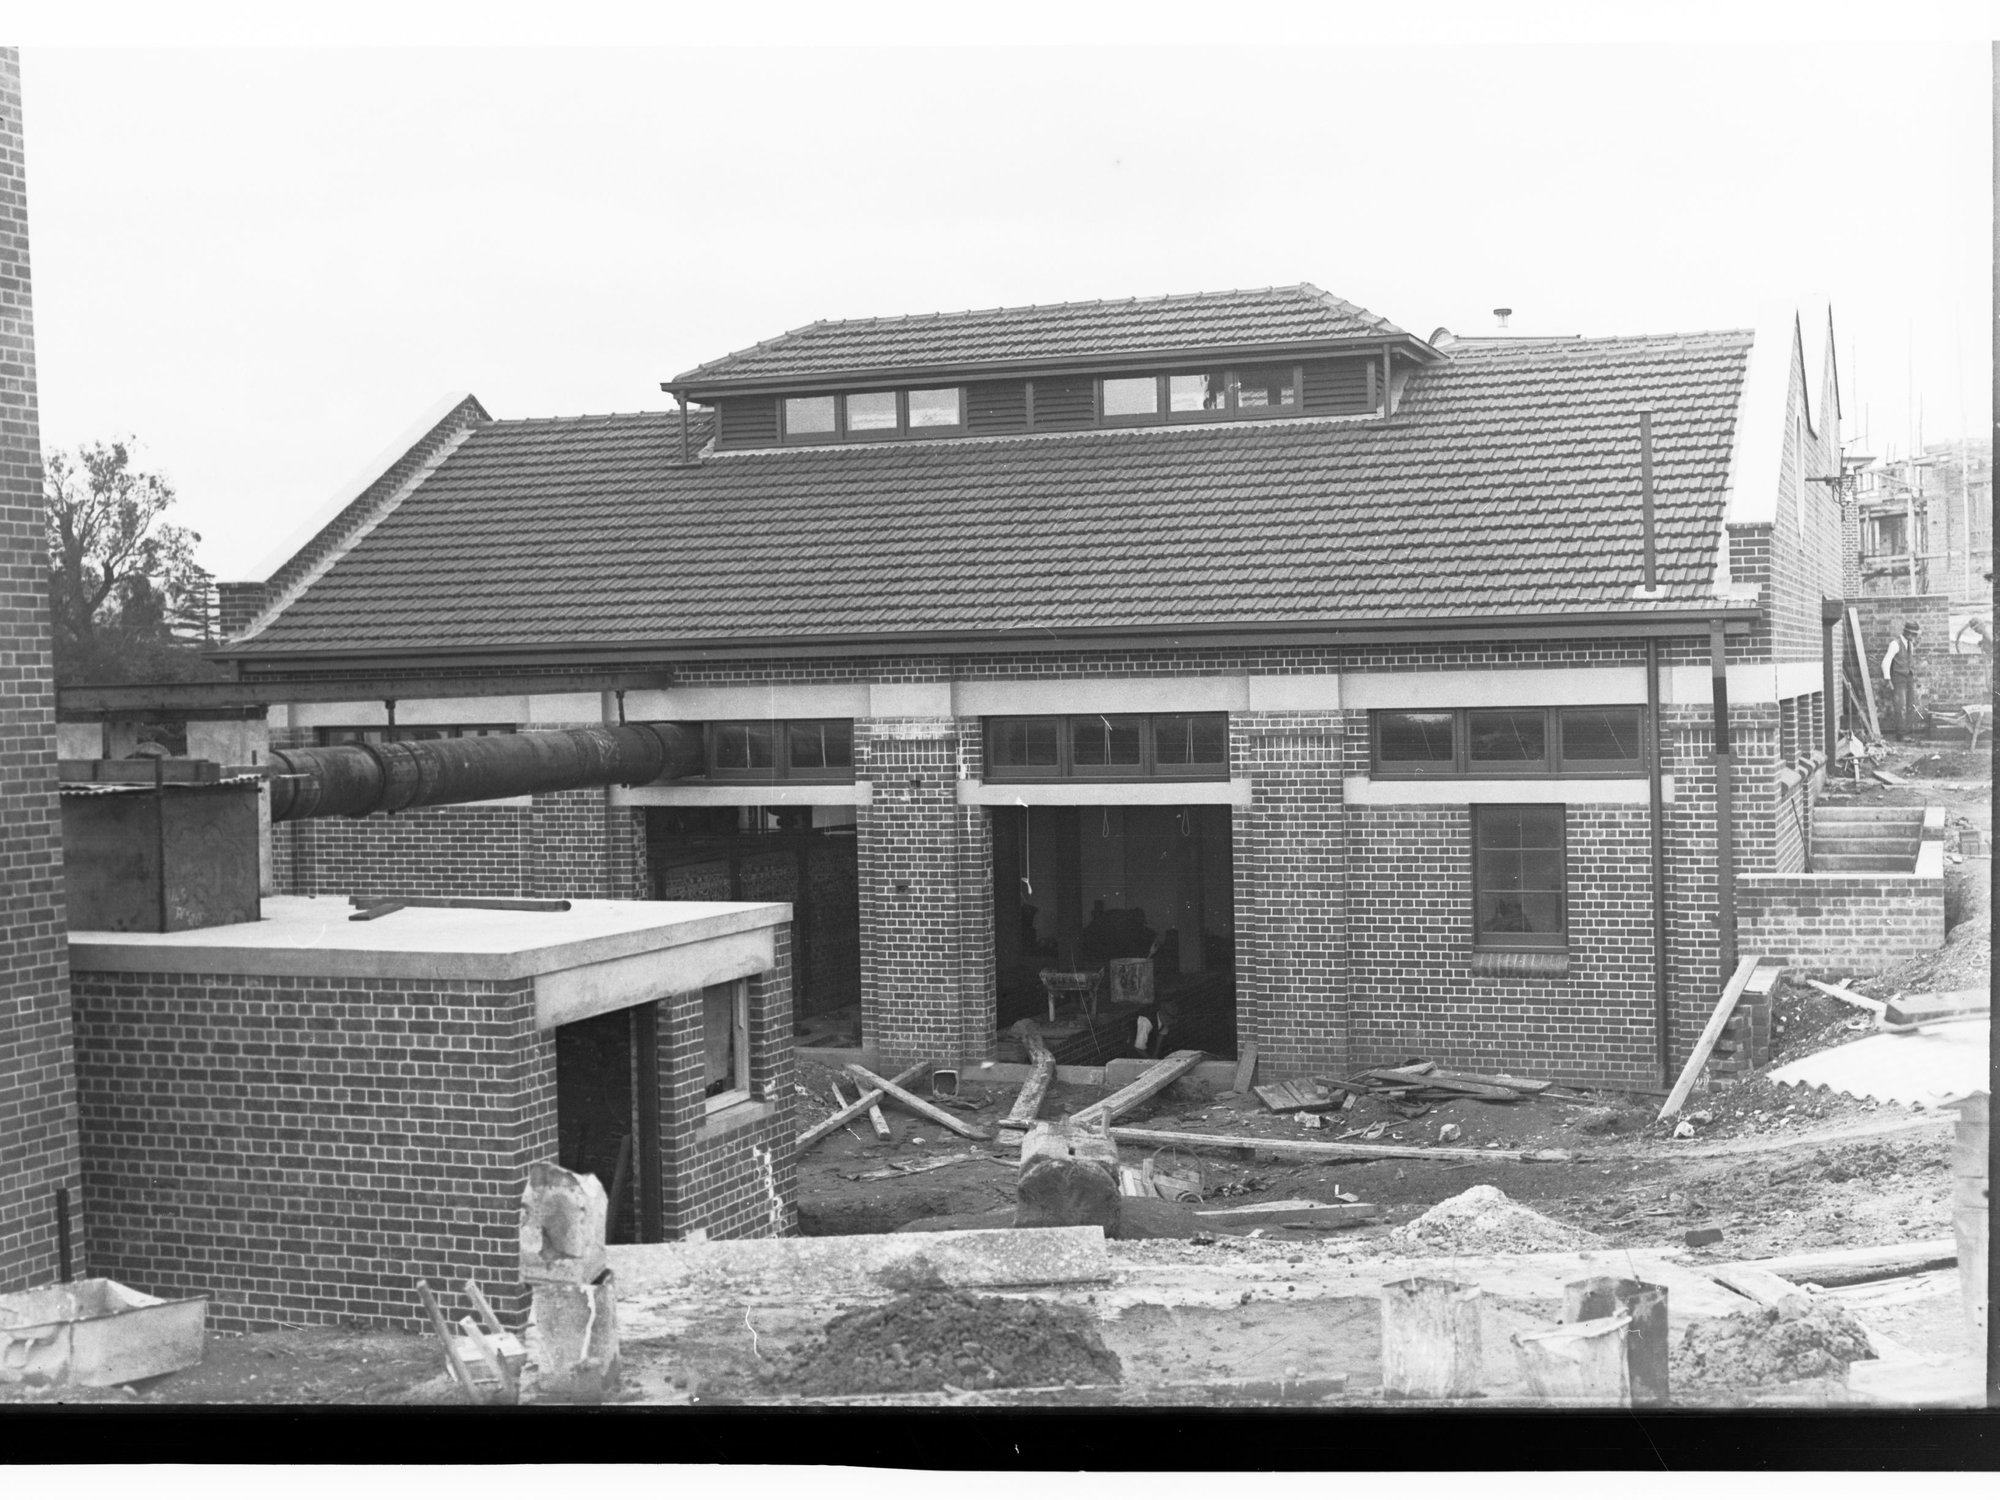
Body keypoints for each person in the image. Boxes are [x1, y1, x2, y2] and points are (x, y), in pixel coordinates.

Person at [1881, 620, 1920, 737]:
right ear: (1908, 633)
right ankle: (1901, 735)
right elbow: (1885, 662)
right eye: (1913, 635)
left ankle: (1907, 732)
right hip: (1898, 679)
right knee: (1900, 707)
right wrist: (1888, 680)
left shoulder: (1910, 645)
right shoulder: (1895, 644)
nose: (1914, 637)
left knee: (1910, 706)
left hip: (1909, 678)